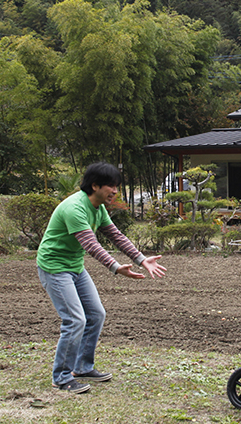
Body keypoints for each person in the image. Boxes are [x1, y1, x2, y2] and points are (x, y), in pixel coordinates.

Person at [37, 162, 167, 393]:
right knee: (75, 320)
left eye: (117, 186)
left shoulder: (98, 207)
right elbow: (91, 245)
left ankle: (83, 367)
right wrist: (116, 268)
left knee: (96, 314)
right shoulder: (74, 208)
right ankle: (62, 377)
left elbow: (115, 235)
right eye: (111, 186)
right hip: (54, 267)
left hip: (74, 266)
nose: (115, 191)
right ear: (94, 185)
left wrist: (141, 259)